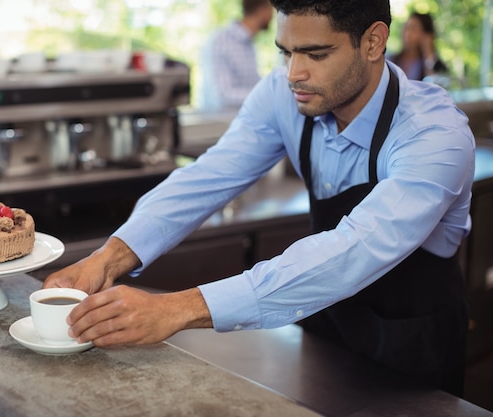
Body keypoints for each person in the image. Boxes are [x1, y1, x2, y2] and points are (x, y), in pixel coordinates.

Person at [44, 0, 474, 397]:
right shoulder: (286, 95)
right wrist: (111, 256)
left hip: (411, 337)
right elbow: (209, 176)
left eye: (315, 54)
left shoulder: (434, 135)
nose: (293, 73)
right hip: (323, 321)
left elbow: (353, 251)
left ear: (373, 42)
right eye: (286, 52)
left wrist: (178, 309)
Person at [199, 0, 274, 111]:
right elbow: (223, 96)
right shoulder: (221, 41)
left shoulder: (249, 43)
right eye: (272, 9)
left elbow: (252, 84)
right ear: (263, 10)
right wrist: (267, 95)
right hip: (220, 124)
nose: (273, 16)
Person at [388, 12, 448, 81]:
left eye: (413, 29)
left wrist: (428, 52)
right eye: (406, 28)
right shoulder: (390, 59)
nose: (407, 34)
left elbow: (434, 86)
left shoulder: (431, 64)